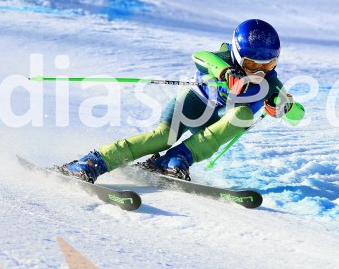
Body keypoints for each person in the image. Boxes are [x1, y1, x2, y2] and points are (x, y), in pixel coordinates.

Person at [58, 20, 303, 182]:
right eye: (250, 64)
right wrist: (225, 72)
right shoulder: (225, 59)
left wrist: (286, 107)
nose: (258, 72)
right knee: (163, 137)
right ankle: (93, 162)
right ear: (238, 55)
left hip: (216, 123)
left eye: (267, 65)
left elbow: (297, 116)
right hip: (192, 105)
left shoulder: (270, 83)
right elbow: (201, 57)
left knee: (243, 115)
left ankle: (177, 159)